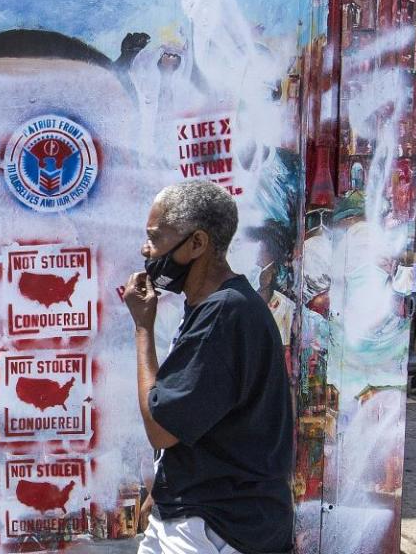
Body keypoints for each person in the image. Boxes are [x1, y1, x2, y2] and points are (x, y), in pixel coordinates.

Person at [123, 180, 294, 554]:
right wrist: (168, 489)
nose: (146, 249)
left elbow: (162, 428)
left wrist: (142, 328)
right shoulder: (223, 307)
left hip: (215, 525)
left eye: (156, 238)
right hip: (209, 514)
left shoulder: (223, 314)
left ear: (197, 244)